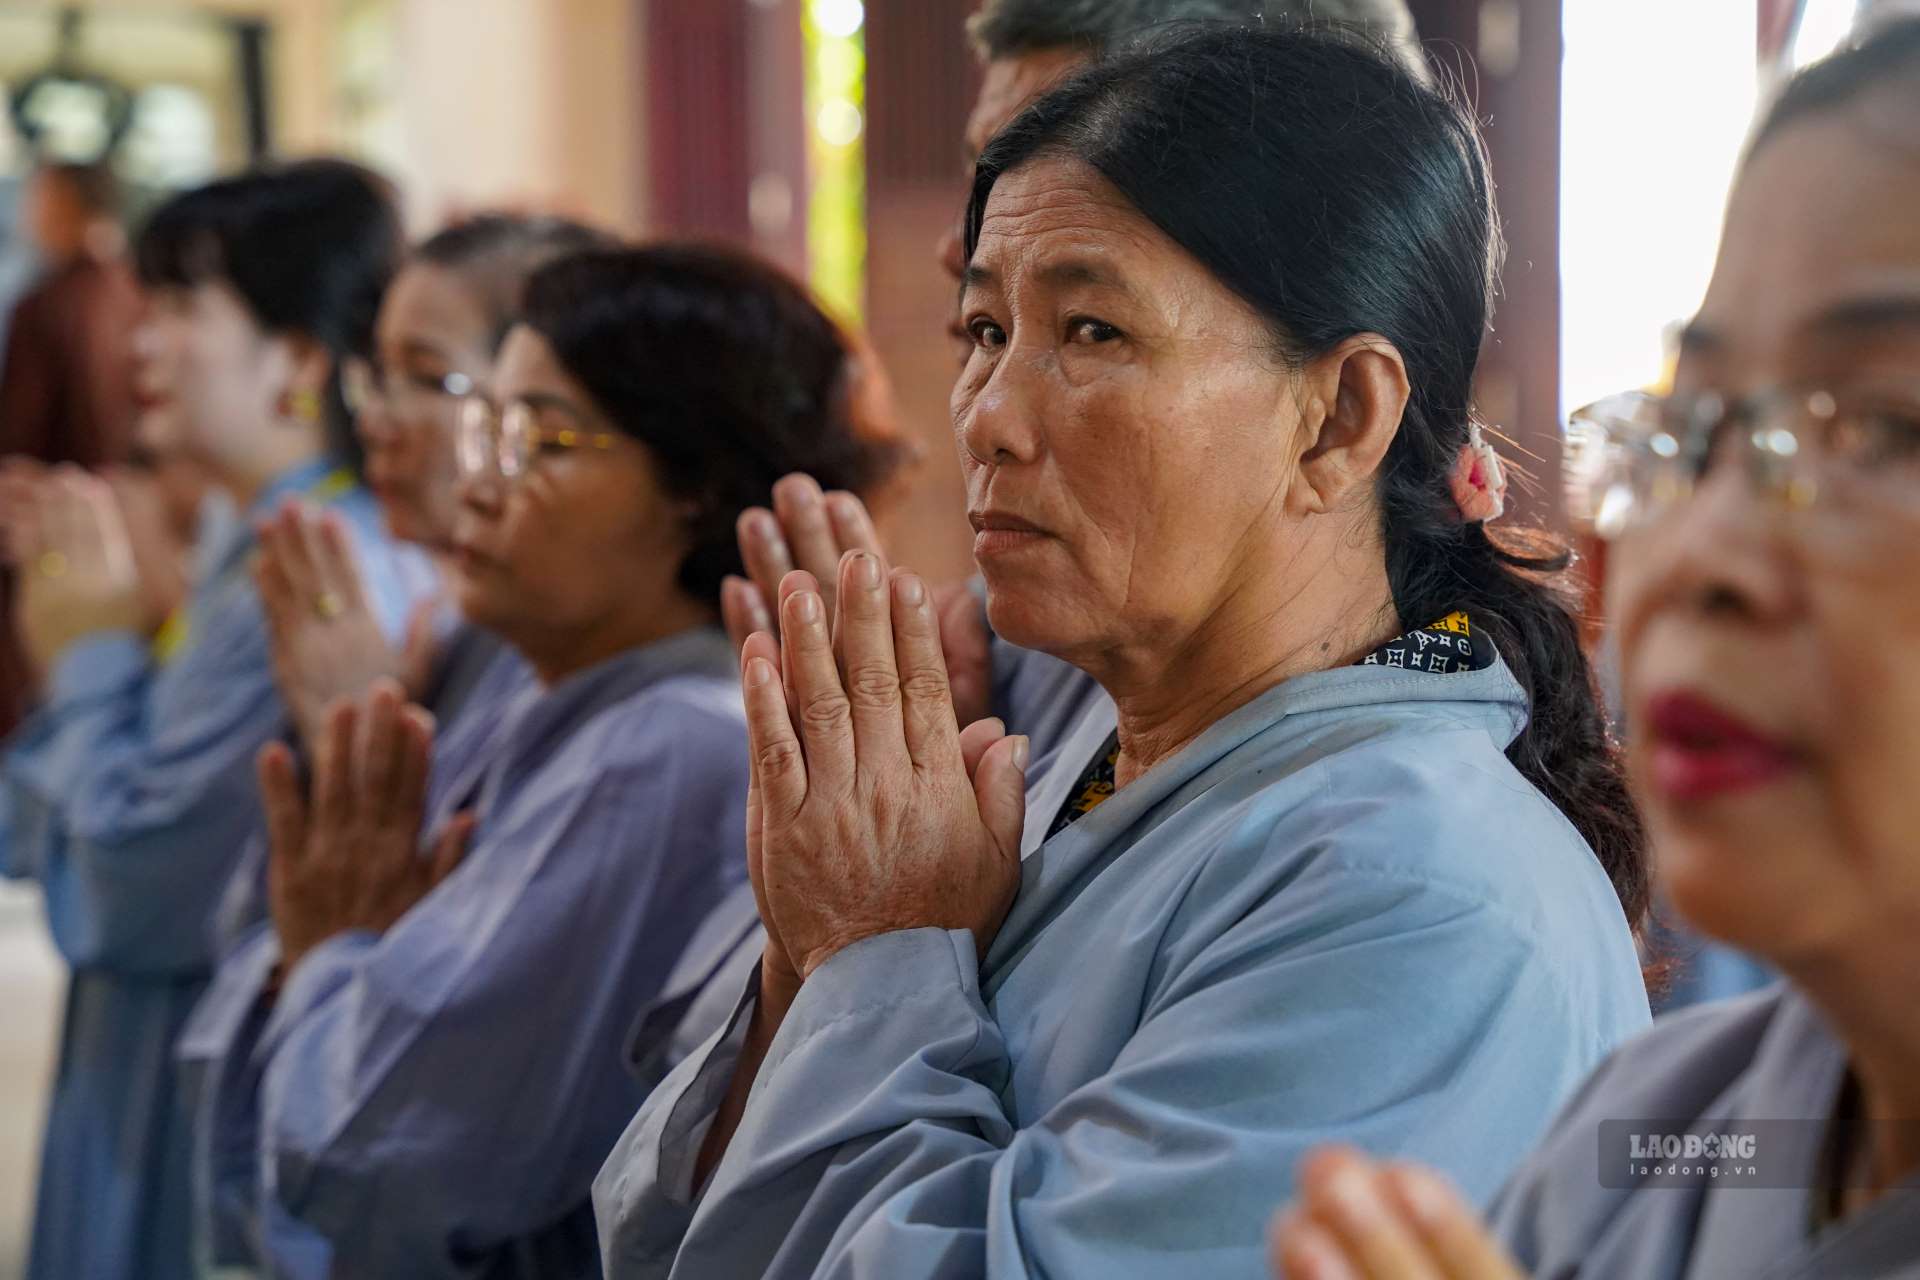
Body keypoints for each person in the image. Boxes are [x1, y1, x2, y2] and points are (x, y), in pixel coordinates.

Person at [593, 26, 1650, 1279]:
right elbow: (673, 1239)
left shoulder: (1420, 892)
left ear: (1342, 416)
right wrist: (814, 947)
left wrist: (872, 948)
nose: (988, 417)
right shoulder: (1099, 759)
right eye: (983, 330)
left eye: (1092, 332)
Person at [1271, 21, 1920, 1280]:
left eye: (1883, 426)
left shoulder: (1435, 881)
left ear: (1348, 415)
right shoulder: (1682, 1133)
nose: (1699, 555)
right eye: (1695, 427)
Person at [190, 243, 906, 1278]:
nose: (478, 487)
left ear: (692, 490)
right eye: (491, 426)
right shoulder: (539, 672)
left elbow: (384, 1158)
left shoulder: (667, 749)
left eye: (544, 440)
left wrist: (333, 950)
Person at [0, 158, 430, 1280]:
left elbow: (133, 889)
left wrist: (86, 646)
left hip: (186, 1103)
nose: (141, 343)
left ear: (298, 359)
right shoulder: (258, 542)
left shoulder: (315, 567)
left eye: (183, 307)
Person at [0, 161, 144, 735]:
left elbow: (19, 432)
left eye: (41, 202)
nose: (30, 218)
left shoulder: (49, 303)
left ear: (68, 207)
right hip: (130, 518)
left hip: (49, 522)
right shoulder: (132, 289)